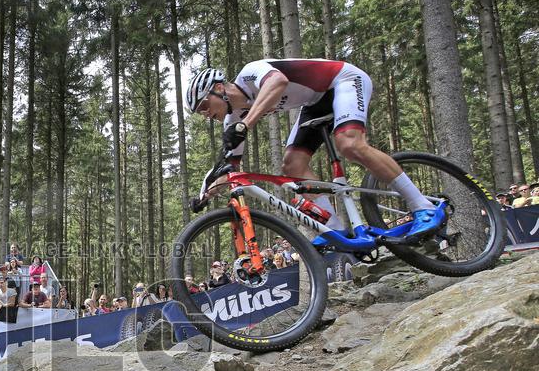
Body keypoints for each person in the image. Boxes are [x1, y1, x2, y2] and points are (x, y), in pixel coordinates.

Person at [185, 60, 443, 241]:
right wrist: (206, 192)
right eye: (201, 113)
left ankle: (422, 205)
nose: (207, 115)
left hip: (343, 80)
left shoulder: (250, 73)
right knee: (292, 166)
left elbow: (278, 81)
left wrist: (246, 123)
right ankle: (337, 230)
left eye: (205, 105)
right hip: (315, 102)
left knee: (350, 144)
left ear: (219, 88)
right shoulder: (234, 119)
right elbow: (232, 164)